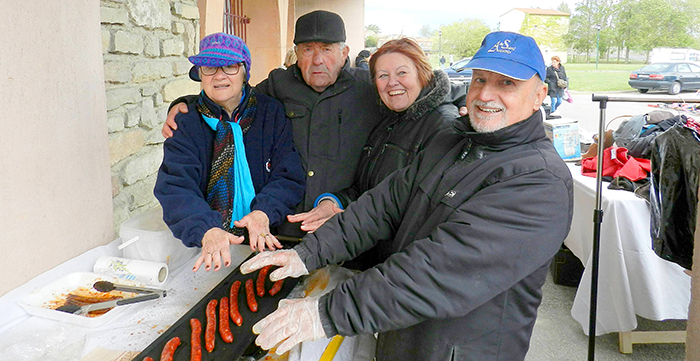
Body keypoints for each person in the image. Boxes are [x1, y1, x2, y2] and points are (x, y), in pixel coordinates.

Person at [239, 32, 574, 360]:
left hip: (459, 348)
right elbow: (384, 204)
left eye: (507, 84)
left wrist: (326, 313)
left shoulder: (539, 181)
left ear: (540, 94)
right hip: (402, 329)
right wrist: (308, 253)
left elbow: (437, 272)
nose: (486, 95)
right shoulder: (454, 142)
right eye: (479, 80)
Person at [161, 10, 468, 239]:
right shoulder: (278, 86)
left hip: (346, 226)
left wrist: (460, 101)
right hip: (284, 228)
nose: (317, 60)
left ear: (345, 53)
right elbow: (229, 95)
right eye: (308, 50)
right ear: (296, 55)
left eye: (327, 49)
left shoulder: (369, 87)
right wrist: (185, 104)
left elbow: (415, 90)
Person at [289, 38, 457, 271]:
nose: (392, 83)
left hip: (401, 270)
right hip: (368, 261)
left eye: (401, 72)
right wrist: (332, 203)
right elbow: (366, 190)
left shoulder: (444, 127)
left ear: (423, 73)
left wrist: (349, 224)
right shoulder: (387, 121)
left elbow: (420, 213)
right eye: (383, 76)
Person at [153, 33, 305, 273]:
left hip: (268, 239)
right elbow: (176, 186)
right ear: (200, 74)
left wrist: (264, 212)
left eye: (230, 66)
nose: (220, 75)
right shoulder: (186, 122)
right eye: (210, 67)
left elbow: (288, 174)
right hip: (206, 249)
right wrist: (207, 229)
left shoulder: (271, 113)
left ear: (245, 72)